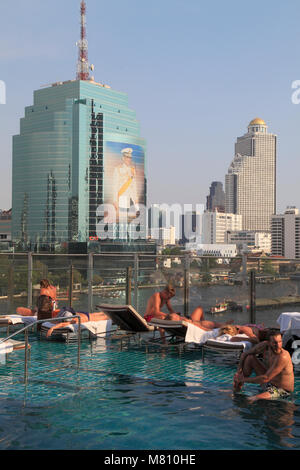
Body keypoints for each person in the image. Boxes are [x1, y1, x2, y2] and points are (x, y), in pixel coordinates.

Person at [233, 329, 294, 403]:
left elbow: (265, 378)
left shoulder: (283, 356)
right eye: (275, 342)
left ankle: (240, 385)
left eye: (280, 342)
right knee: (250, 358)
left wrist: (243, 379)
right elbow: (244, 354)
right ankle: (236, 390)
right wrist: (239, 372)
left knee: (251, 399)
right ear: (269, 342)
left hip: (281, 390)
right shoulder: (265, 346)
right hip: (269, 383)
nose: (278, 345)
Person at [144, 286, 233, 330]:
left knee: (198, 313)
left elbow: (171, 310)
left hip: (163, 318)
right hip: (150, 318)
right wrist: (172, 316)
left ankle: (220, 325)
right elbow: (156, 311)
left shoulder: (165, 298)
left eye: (170, 297)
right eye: (168, 297)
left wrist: (176, 314)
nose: (169, 299)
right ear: (165, 292)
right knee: (188, 321)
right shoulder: (157, 296)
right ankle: (209, 329)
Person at [112, 147, 139, 221]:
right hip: (122, 199)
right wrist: (115, 200)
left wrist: (136, 204)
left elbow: (134, 187)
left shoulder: (132, 170)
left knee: (131, 222)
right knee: (122, 222)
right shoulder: (118, 169)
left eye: (130, 158)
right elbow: (115, 186)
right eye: (127, 157)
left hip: (131, 199)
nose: (129, 159)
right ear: (123, 158)